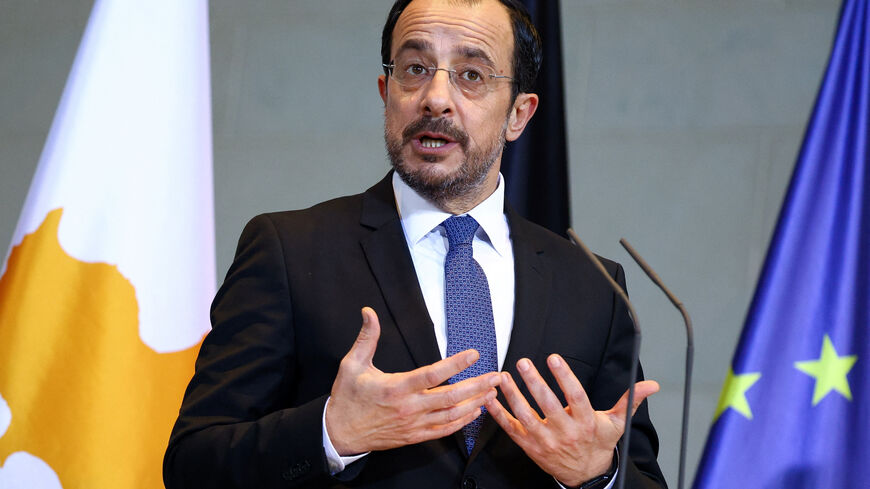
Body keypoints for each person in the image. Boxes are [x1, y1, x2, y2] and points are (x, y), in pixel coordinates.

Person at [163, 0, 667, 487]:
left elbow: (642, 478)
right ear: (386, 91)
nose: (435, 98)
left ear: (519, 114)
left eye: (471, 74)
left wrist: (595, 477)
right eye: (415, 68)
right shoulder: (289, 252)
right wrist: (329, 435)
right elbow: (192, 464)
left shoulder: (594, 287)